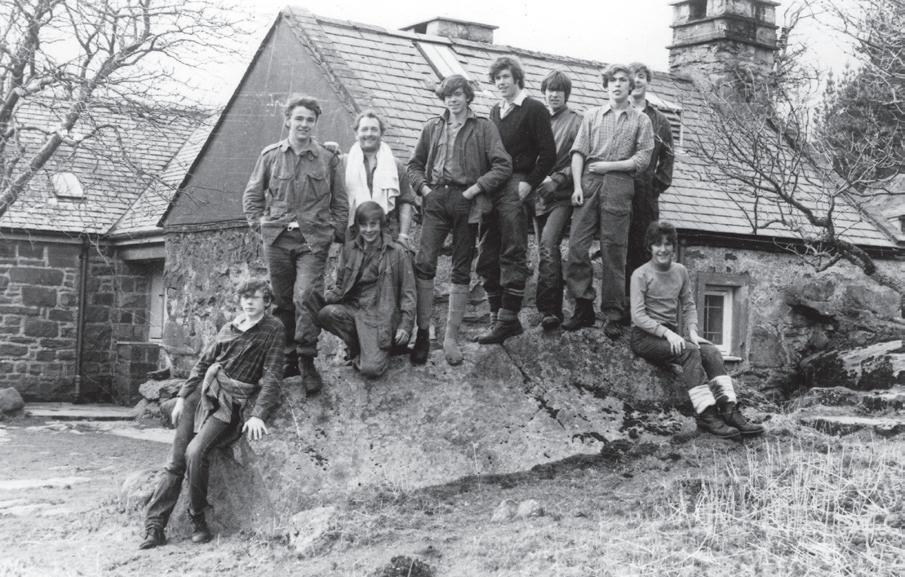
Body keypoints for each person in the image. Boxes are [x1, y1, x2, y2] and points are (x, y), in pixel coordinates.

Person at [139, 278, 285, 549]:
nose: (249, 302)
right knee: (176, 462)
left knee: (195, 452)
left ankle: (197, 516)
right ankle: (155, 527)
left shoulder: (273, 329)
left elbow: (274, 373)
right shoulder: (229, 327)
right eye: (245, 297)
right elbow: (204, 362)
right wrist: (183, 397)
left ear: (266, 301)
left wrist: (259, 414)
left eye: (255, 297)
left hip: (228, 402)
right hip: (200, 394)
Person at [243, 95, 347, 395]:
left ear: (315, 123)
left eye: (310, 120)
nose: (304, 124)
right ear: (288, 120)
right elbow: (252, 196)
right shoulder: (270, 156)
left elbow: (341, 202)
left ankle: (306, 359)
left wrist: (333, 233)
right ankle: (287, 358)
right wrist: (261, 227)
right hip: (278, 239)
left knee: (307, 295)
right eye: (299, 118)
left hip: (312, 241)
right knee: (282, 300)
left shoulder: (327, 158)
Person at [407, 74, 512, 366]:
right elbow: (414, 165)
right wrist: (425, 190)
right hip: (436, 198)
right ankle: (423, 333)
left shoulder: (483, 127)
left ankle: (450, 338)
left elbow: (503, 165)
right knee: (424, 262)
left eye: (457, 94)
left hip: (467, 201)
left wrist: (475, 190)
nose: (452, 100)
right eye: (447, 95)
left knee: (461, 267)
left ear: (467, 96)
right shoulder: (433, 127)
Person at [630, 221, 764, 439]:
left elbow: (689, 305)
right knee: (690, 351)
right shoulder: (640, 274)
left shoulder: (680, 271)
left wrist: (692, 332)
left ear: (673, 246)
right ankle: (706, 415)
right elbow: (638, 316)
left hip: (671, 334)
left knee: (710, 351)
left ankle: (729, 410)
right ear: (649, 247)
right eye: (657, 244)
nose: (662, 249)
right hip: (645, 338)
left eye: (667, 244)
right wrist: (667, 334)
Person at [563, 64, 654, 338]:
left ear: (630, 86)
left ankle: (613, 314)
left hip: (619, 184)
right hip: (589, 182)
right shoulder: (591, 116)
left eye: (623, 80)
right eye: (612, 80)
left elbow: (643, 159)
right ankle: (583, 307)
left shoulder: (641, 120)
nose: (617, 84)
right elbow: (578, 152)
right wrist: (576, 186)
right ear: (605, 85)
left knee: (614, 251)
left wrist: (610, 166)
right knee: (576, 246)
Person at [476, 56, 556, 343]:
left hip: (516, 183)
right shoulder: (495, 111)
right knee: (487, 252)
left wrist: (528, 183)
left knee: (512, 249)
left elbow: (549, 154)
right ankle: (497, 318)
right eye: (497, 78)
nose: (501, 82)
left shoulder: (534, 109)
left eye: (505, 77)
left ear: (517, 79)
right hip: (494, 183)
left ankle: (508, 319)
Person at [307, 201, 416, 378]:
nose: (368, 230)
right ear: (358, 226)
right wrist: (325, 296)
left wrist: (405, 326)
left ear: (381, 225)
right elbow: (340, 285)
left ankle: (381, 348)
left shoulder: (396, 252)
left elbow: (408, 293)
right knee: (326, 313)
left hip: (380, 316)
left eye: (373, 224)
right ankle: (360, 347)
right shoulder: (349, 249)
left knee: (371, 369)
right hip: (355, 310)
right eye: (364, 225)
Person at [533, 70, 582, 331]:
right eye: (550, 90)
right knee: (543, 250)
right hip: (538, 197)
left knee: (548, 244)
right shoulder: (538, 119)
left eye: (559, 91)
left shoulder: (576, 121)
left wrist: (558, 179)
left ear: (566, 94)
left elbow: (581, 159)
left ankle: (550, 310)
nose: (554, 95)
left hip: (561, 197)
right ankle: (549, 310)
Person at [625, 62, 675, 297]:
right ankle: (621, 305)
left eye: (641, 76)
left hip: (645, 194)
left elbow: (668, 156)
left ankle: (640, 303)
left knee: (643, 247)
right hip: (619, 189)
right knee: (619, 248)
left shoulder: (660, 120)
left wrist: (656, 185)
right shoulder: (617, 113)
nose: (636, 80)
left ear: (647, 82)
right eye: (632, 76)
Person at [343, 110, 416, 249]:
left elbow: (405, 202)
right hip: (354, 234)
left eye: (374, 129)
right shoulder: (344, 163)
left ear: (381, 134)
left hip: (388, 233)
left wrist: (403, 237)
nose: (369, 133)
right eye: (364, 129)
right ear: (356, 134)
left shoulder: (395, 165)